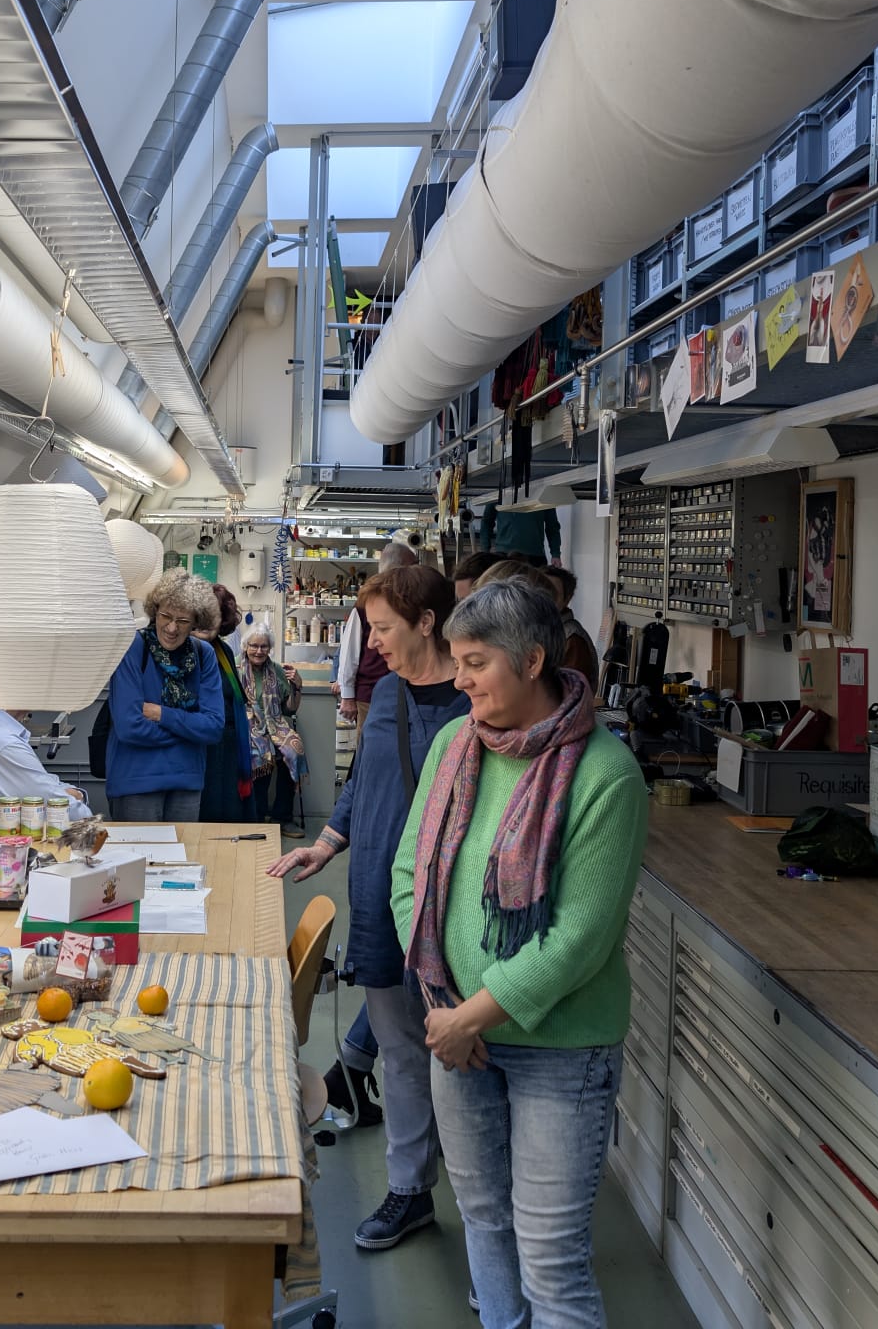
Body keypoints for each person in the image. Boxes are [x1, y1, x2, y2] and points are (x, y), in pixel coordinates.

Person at [391, 580, 649, 1329]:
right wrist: (445, 1006)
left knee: (551, 1258)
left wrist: (469, 1017)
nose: (461, 681)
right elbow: (410, 877)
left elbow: (578, 940)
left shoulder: (605, 775)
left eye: (477, 664)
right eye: (458, 662)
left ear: (533, 661)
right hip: (457, 1034)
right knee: (483, 1219)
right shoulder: (456, 745)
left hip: (559, 1052)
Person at [271, 565, 470, 1251]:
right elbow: (363, 781)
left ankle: (483, 1215)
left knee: (465, 1064)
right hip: (380, 903)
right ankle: (410, 1191)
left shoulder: (473, 703)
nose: (374, 642)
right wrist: (326, 843)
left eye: (383, 628)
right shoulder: (386, 692)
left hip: (450, 913)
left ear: (427, 623)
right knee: (402, 1054)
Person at [102, 569, 224, 822]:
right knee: (138, 850)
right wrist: (189, 733)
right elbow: (129, 727)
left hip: (187, 783)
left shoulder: (204, 655)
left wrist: (162, 714)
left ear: (196, 622)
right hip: (135, 782)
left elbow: (213, 727)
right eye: (165, 616)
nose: (171, 628)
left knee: (184, 849)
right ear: (154, 611)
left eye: (183, 621)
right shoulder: (133, 647)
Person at [0, 698, 93, 821]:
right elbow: (73, 813)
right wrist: (78, 796)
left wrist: (65, 792)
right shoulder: (4, 744)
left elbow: (42, 784)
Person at [335, 542, 418, 727]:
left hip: (404, 692)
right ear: (398, 568)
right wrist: (347, 696)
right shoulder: (366, 603)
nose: (416, 571)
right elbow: (349, 651)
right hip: (369, 695)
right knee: (370, 741)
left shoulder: (410, 601)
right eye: (413, 565)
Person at [198, 583, 258, 824]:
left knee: (231, 815)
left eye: (214, 615)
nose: (206, 623)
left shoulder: (222, 650)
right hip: (204, 748)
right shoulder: (189, 651)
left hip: (230, 746)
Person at [238, 628, 306, 828]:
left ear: (270, 648)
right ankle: (257, 815)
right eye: (254, 646)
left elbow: (290, 709)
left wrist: (297, 686)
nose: (259, 651)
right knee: (260, 753)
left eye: (264, 646)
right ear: (245, 646)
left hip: (274, 725)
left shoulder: (277, 670)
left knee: (293, 751)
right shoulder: (235, 667)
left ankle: (282, 816)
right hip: (245, 726)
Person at [542, 564, 602, 695]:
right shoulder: (542, 630)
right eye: (540, 591)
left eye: (552, 593)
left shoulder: (572, 639)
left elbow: (570, 695)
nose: (544, 598)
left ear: (567, 599)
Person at [476, 504, 561, 568]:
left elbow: (552, 526)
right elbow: (487, 522)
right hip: (504, 555)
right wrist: (485, 550)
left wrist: (555, 554)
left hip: (534, 556)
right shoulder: (500, 490)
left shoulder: (542, 492)